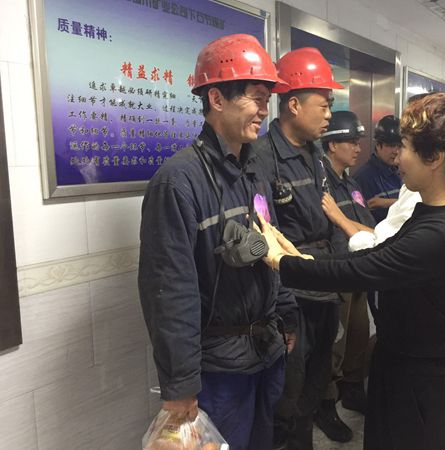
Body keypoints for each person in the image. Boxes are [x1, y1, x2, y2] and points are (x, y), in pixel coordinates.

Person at [260, 93, 445, 450]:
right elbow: (373, 255)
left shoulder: (443, 233)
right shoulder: (428, 216)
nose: (398, 157)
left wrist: (280, 262)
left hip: (418, 386)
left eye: (405, 147)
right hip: (398, 368)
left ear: (435, 158)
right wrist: (298, 256)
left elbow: (363, 269)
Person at [138, 34, 299, 450]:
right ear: (216, 98)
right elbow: (169, 291)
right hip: (219, 372)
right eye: (256, 98)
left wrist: (287, 315)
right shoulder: (178, 182)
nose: (265, 110)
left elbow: (272, 247)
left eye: (267, 99)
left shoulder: (254, 171)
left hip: (265, 352)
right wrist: (180, 383)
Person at [250, 47, 346, 449]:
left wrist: (339, 265)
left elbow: (332, 212)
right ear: (293, 105)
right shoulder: (262, 156)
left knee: (318, 378)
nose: (329, 115)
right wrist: (285, 301)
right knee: (289, 388)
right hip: (294, 294)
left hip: (326, 284)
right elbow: (266, 234)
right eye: (323, 105)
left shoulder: (315, 153)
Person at [319, 111, 376, 420]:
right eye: (351, 142)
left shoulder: (349, 182)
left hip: (358, 269)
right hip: (336, 272)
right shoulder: (320, 182)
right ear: (332, 145)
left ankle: (352, 390)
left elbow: (365, 221)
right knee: (334, 344)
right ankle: (325, 406)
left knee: (358, 336)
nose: (357, 148)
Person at [354, 115, 403, 223]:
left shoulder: (402, 172)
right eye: (391, 145)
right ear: (378, 145)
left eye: (399, 146)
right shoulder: (363, 177)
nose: (396, 151)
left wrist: (386, 202)